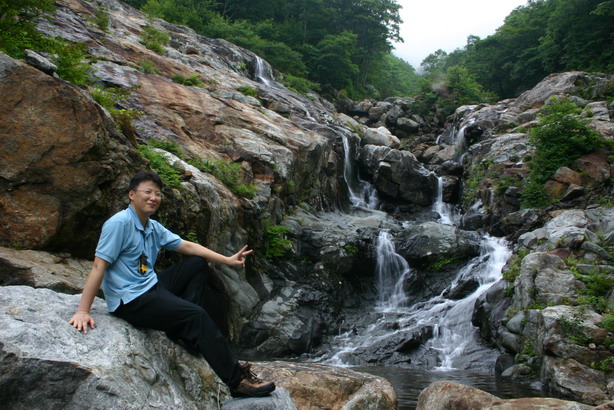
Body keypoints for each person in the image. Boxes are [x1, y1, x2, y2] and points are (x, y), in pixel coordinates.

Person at [69, 171, 275, 398]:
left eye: (157, 194)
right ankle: (237, 382)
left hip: (150, 285)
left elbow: (186, 246)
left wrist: (226, 260)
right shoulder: (119, 224)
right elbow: (99, 266)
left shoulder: (151, 226)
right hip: (131, 300)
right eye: (147, 192)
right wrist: (83, 310)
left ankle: (185, 334)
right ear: (131, 195)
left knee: (196, 264)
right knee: (196, 315)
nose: (153, 198)